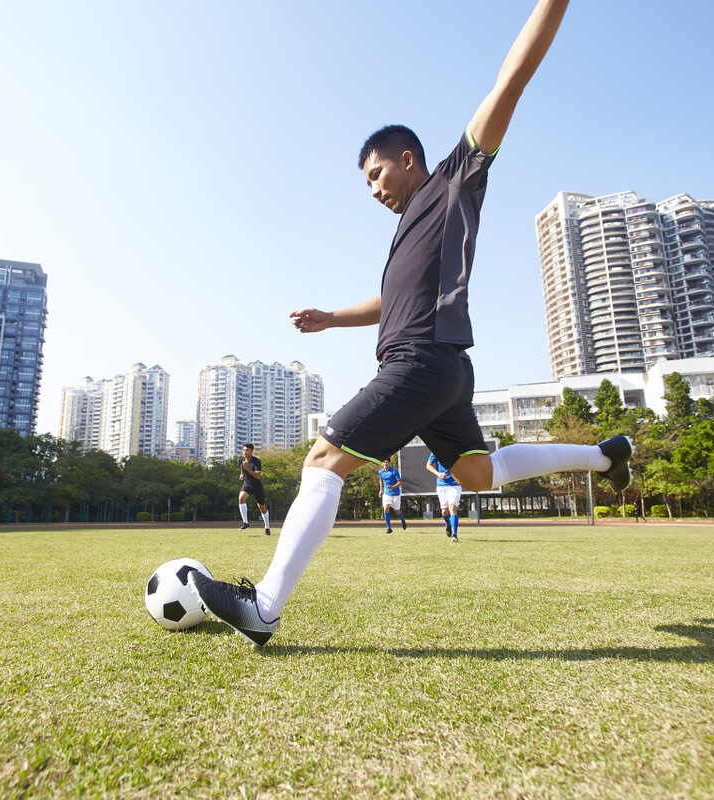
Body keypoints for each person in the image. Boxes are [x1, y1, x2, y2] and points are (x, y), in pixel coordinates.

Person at [192, 0, 631, 648]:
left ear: (405, 158)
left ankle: (265, 606)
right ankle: (605, 455)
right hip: (444, 372)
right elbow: (387, 302)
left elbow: (511, 78)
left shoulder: (454, 180)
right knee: (477, 475)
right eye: (365, 183)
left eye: (375, 174)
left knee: (323, 459)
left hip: (422, 363)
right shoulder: (406, 235)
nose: (373, 189)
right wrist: (330, 318)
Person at [426, 452, 462, 542]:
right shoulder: (436, 450)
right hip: (442, 485)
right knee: (445, 511)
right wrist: (438, 474)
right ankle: (448, 524)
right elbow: (428, 465)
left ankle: (454, 535)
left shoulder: (457, 449)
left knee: (452, 507)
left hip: (455, 484)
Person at [238, 443, 270, 536]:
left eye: (247, 450)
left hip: (257, 486)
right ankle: (245, 523)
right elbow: (241, 466)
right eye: (244, 450)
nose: (245, 452)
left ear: (252, 451)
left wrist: (247, 469)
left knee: (262, 507)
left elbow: (257, 476)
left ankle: (267, 527)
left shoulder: (256, 462)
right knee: (241, 499)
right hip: (248, 484)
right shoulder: (241, 459)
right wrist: (242, 474)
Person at [377, 458, 407, 534]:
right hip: (386, 494)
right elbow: (381, 480)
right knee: (386, 508)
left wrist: (393, 487)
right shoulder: (381, 472)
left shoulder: (394, 471)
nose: (385, 464)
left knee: (397, 511)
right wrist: (381, 490)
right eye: (384, 462)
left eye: (387, 462)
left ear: (389, 463)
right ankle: (389, 528)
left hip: (395, 494)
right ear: (382, 463)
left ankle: (403, 520)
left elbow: (400, 482)